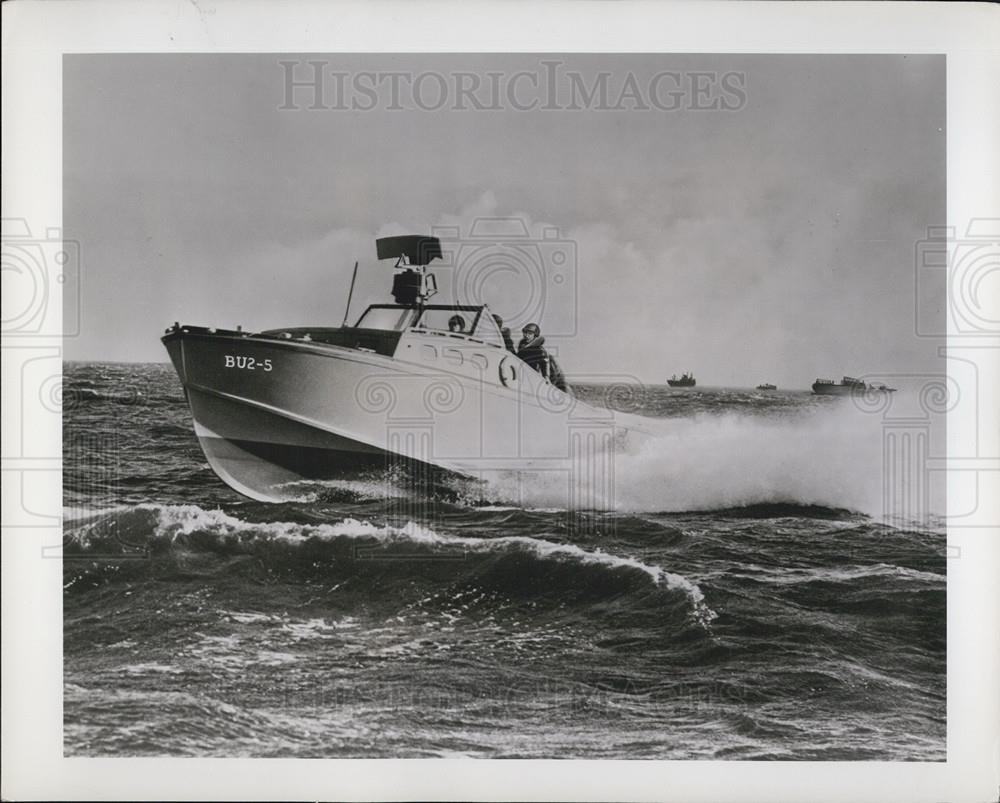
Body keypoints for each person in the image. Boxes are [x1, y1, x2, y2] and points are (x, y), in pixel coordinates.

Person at [517, 323, 569, 393]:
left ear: (535, 335)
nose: (526, 335)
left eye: (530, 333)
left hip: (536, 376)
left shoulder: (539, 350)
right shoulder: (522, 346)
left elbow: (545, 363)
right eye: (525, 332)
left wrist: (546, 376)